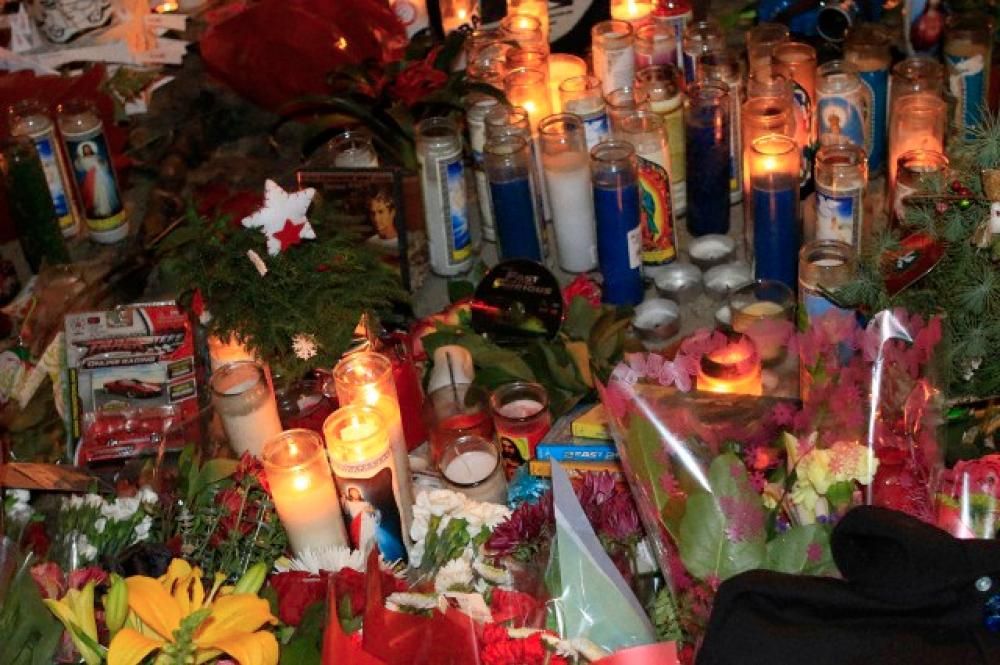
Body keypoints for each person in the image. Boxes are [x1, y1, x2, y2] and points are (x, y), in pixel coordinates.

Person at [74, 141, 119, 218]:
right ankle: (101, 210)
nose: (87, 150)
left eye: (88, 148)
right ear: (83, 151)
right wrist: (78, 159)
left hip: (103, 175)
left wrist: (102, 163)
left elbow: (104, 165)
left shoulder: (97, 156)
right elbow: (79, 167)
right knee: (97, 193)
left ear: (91, 149)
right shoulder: (82, 159)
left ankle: (106, 210)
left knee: (104, 192)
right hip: (92, 177)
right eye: (85, 149)